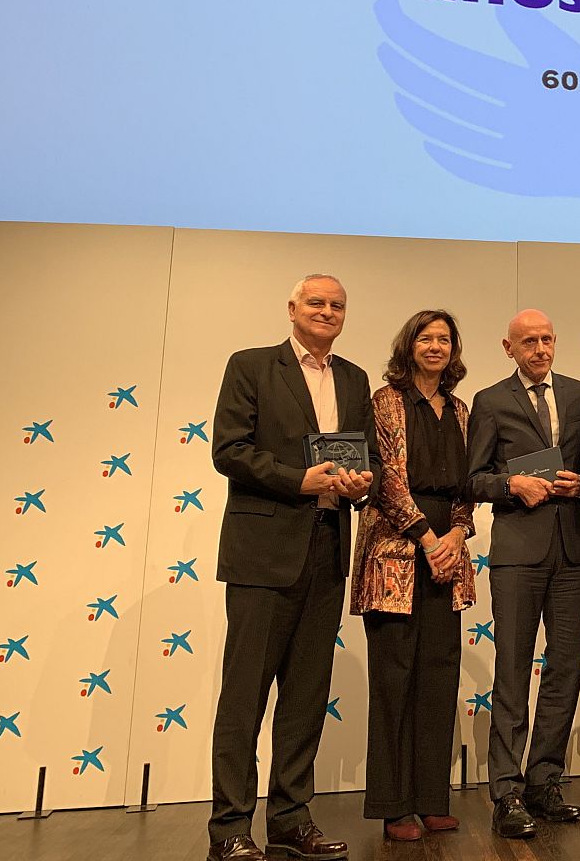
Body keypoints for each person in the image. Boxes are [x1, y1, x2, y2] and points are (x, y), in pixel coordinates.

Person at [208, 274, 375, 861]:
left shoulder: (354, 378)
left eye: (336, 305)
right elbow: (228, 449)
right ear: (293, 309)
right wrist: (296, 480)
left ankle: (289, 818)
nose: (327, 311)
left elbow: (366, 458)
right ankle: (230, 826)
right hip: (262, 556)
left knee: (306, 697)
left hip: (328, 554)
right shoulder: (252, 365)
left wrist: (360, 483)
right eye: (316, 303)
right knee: (245, 696)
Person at [464, 310, 580, 839]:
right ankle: (506, 790)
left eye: (547, 339)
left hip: (571, 549)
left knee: (564, 668)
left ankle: (545, 780)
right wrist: (512, 484)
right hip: (518, 551)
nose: (540, 349)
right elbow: (473, 479)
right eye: (529, 342)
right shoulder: (490, 401)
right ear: (508, 347)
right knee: (513, 668)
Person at [350, 310, 478, 841]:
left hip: (447, 553)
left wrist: (457, 534)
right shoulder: (385, 401)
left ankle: (431, 798)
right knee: (394, 679)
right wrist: (428, 537)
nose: (435, 346)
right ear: (409, 346)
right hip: (395, 554)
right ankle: (393, 804)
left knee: (439, 675)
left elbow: (470, 483)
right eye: (426, 338)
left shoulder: (463, 410)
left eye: (444, 339)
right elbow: (386, 479)